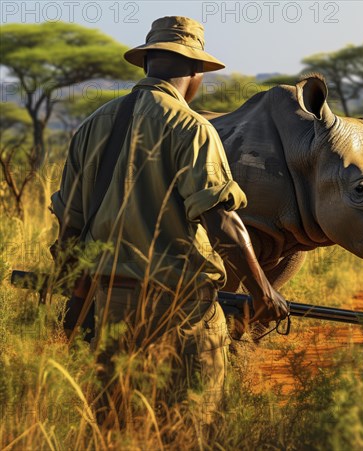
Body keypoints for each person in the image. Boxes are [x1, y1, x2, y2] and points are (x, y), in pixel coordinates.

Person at [50, 16, 289, 425]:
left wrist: (75, 309)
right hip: (179, 311)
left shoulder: (91, 127)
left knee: (115, 427)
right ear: (195, 71)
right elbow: (222, 220)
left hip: (110, 306)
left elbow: (69, 229)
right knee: (187, 425)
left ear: (146, 64)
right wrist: (263, 290)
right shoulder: (191, 128)